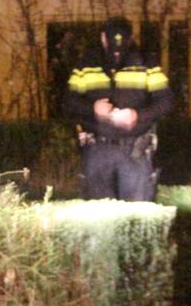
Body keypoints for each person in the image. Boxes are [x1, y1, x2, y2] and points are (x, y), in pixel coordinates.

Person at [64, 16, 174, 201]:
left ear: (130, 39)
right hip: (98, 150)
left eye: (122, 48)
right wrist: (93, 109)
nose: (117, 55)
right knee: (99, 214)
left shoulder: (147, 64)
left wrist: (137, 115)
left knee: (137, 212)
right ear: (103, 38)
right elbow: (68, 102)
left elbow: (166, 101)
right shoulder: (86, 65)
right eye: (113, 49)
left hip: (135, 152)